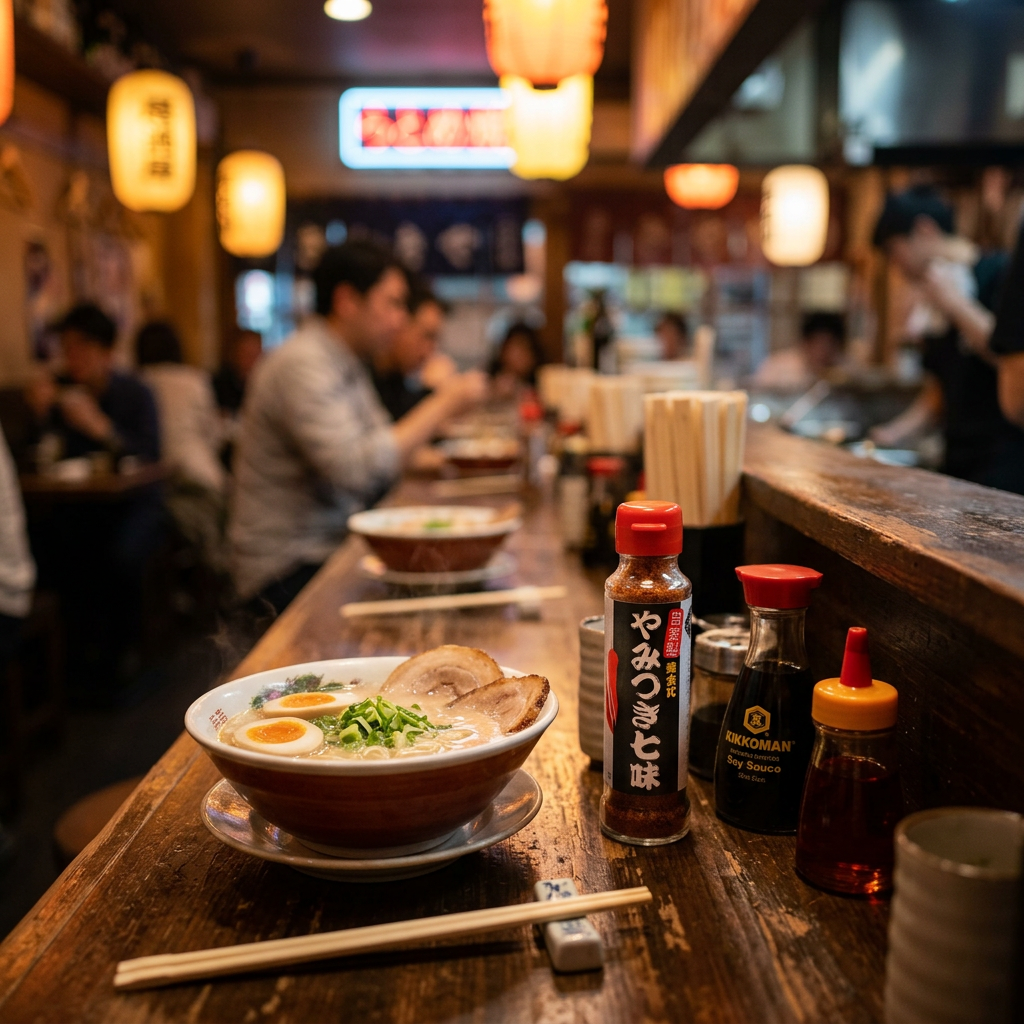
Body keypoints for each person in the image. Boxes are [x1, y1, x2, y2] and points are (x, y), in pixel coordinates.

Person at [230, 240, 487, 615]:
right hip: (284, 570)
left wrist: (465, 466)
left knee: (454, 587)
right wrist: (445, 400)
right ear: (348, 300)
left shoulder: (344, 360)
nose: (400, 319)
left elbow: (387, 447)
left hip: (331, 550)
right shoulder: (302, 364)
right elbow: (358, 470)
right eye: (392, 303)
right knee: (440, 606)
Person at [869, 187, 1024, 493]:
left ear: (924, 229)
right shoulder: (931, 302)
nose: (895, 263)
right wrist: (892, 435)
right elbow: (938, 392)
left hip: (1005, 460)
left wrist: (954, 305)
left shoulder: (1000, 272)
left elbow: (1011, 360)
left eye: (893, 249)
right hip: (955, 460)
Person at [137, 320, 226, 567]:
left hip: (154, 488)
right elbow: (214, 437)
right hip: (200, 480)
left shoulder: (137, 381)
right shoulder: (194, 379)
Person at [24, 303, 160, 464]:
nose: (73, 357)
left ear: (107, 352)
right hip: (72, 489)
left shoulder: (136, 393)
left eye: (83, 347)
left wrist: (103, 430)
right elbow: (32, 458)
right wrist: (39, 414)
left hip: (129, 489)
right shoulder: (60, 390)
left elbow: (151, 457)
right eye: (67, 348)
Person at [371, 280, 455, 421]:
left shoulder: (394, 378)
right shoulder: (366, 374)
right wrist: (441, 398)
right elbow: (392, 436)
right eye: (427, 336)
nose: (431, 349)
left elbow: (404, 413)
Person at [752, 313, 847, 391]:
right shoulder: (777, 366)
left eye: (830, 345)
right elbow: (758, 394)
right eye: (819, 344)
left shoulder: (844, 371)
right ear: (805, 342)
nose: (823, 352)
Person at [490, 322, 545, 402]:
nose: (520, 357)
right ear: (503, 352)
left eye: (525, 350)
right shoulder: (489, 382)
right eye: (515, 350)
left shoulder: (541, 386)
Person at [213, 329, 262, 417]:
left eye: (257, 355)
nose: (254, 361)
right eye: (248, 355)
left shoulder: (263, 384)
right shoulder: (219, 385)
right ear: (235, 354)